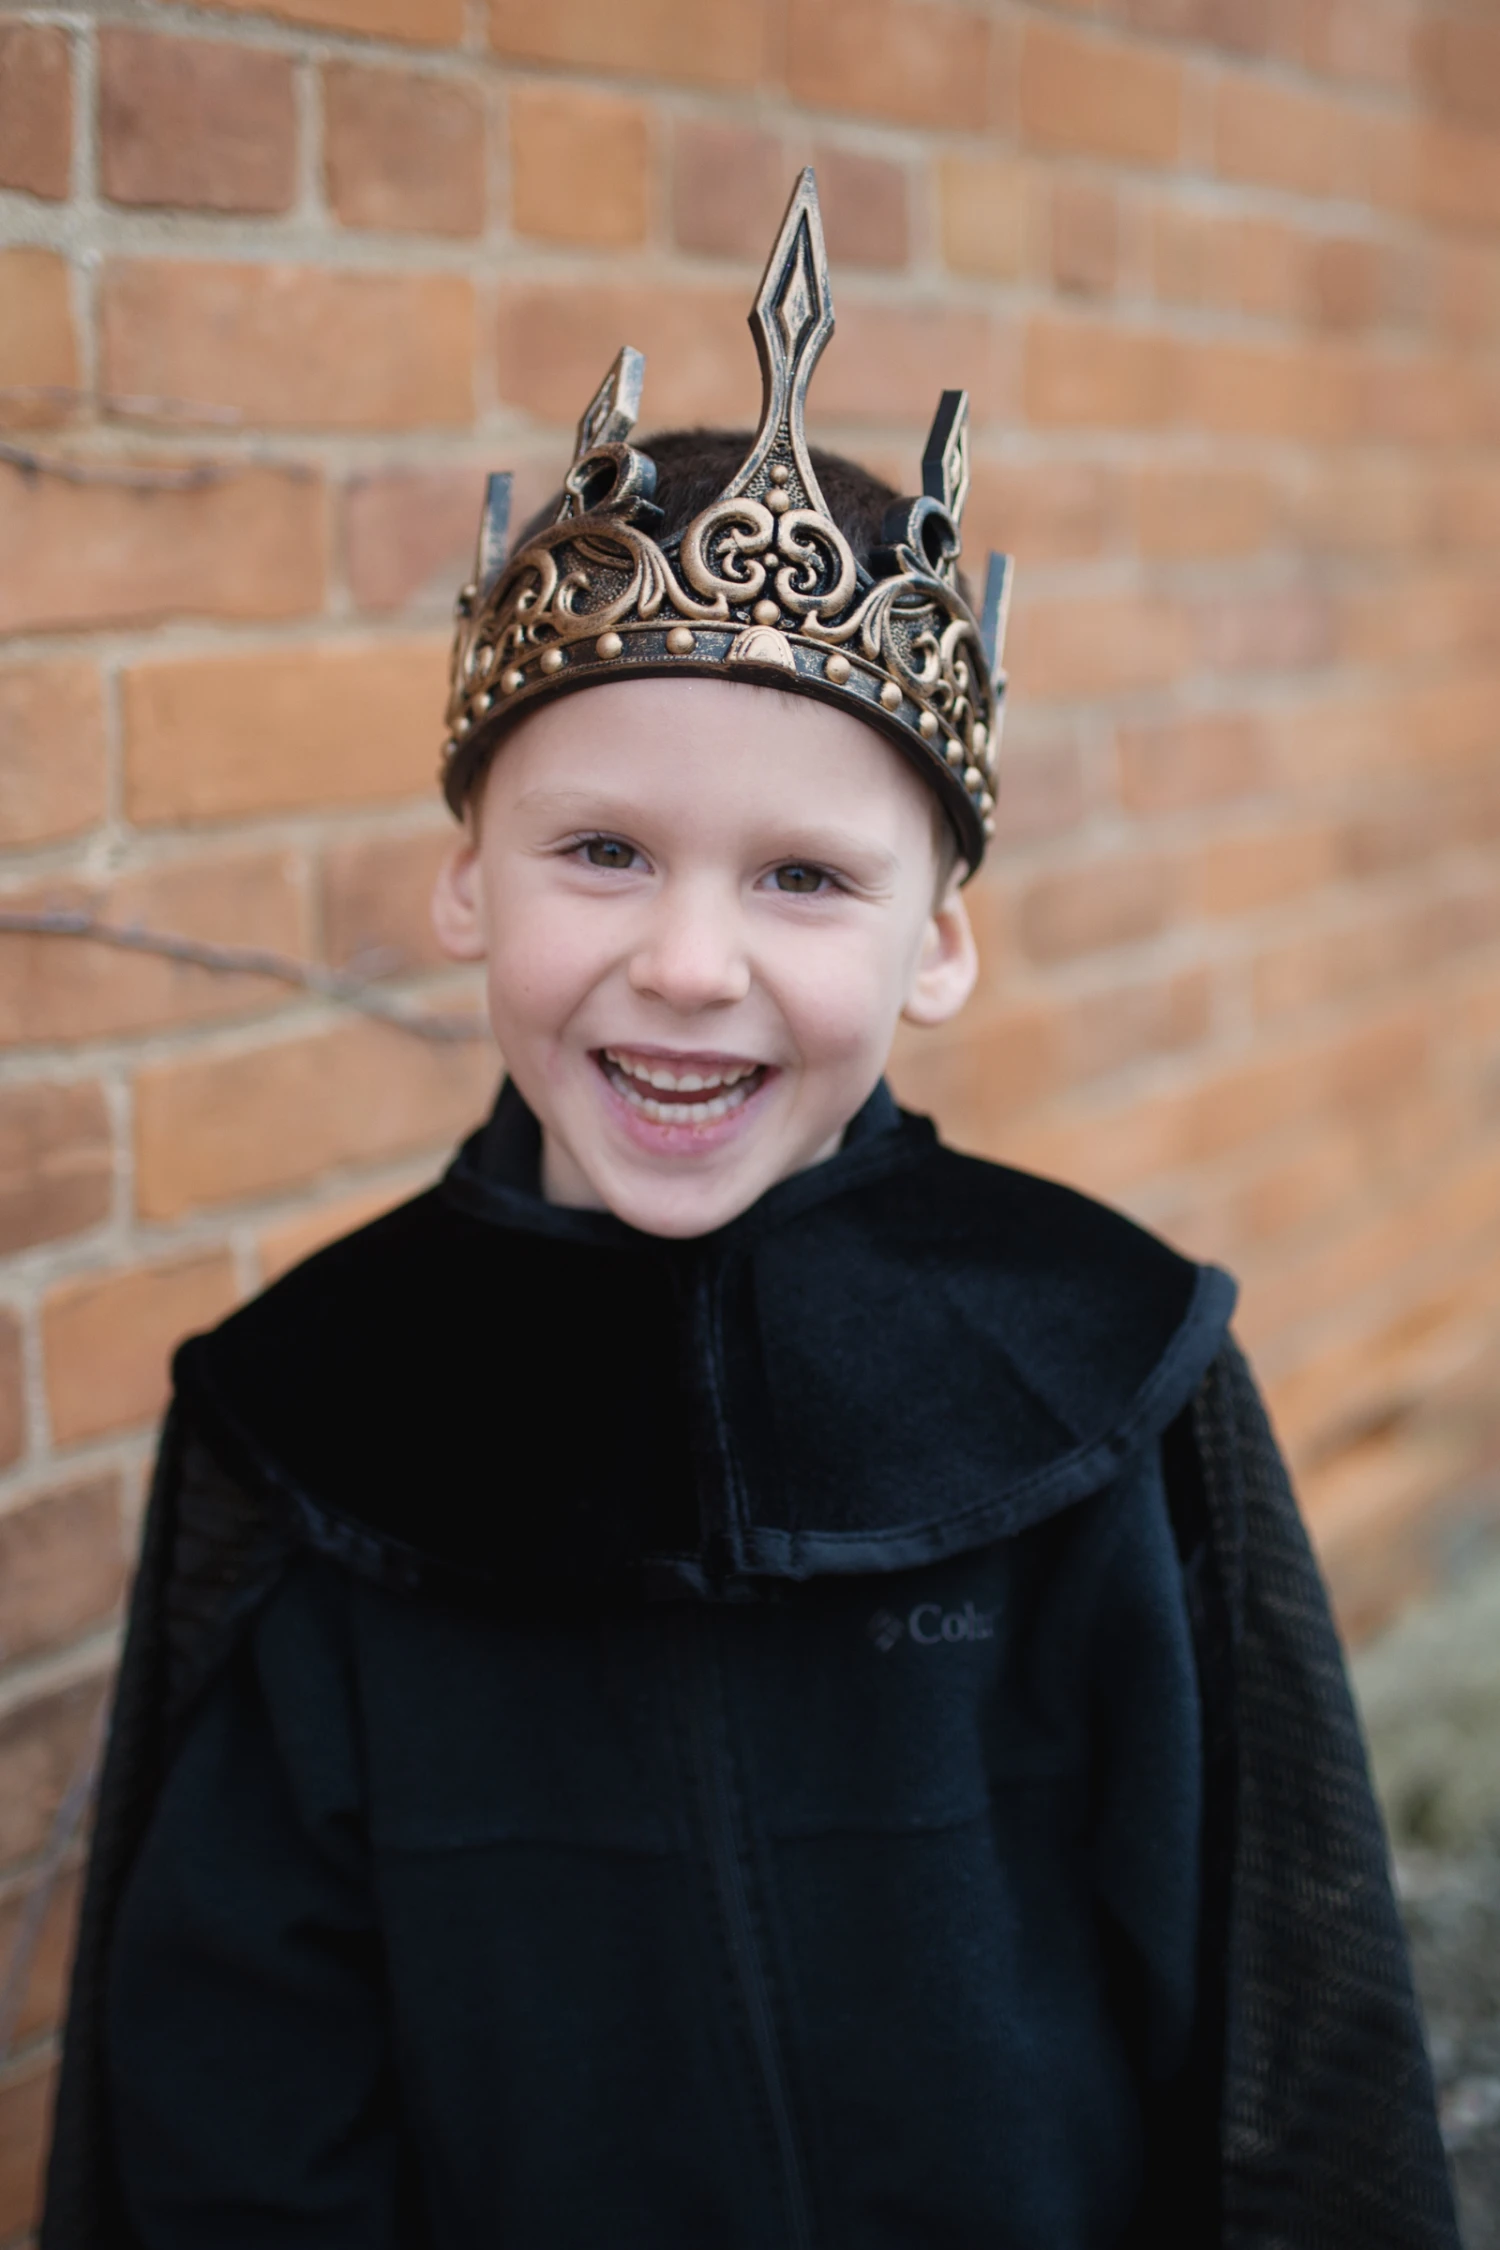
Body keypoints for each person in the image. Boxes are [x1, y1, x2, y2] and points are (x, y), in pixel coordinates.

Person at [43, 172, 1456, 2250]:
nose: (690, 964)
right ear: (464, 884)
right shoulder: (316, 1416)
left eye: (804, 877)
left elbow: (1286, 2037)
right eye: (602, 850)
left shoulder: (1106, 1371)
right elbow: (229, 2098)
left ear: (937, 943)